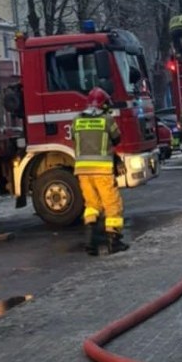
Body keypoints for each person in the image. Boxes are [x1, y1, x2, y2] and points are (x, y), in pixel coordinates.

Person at [72, 87, 128, 255]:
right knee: (112, 205)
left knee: (92, 205)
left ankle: (91, 241)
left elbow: (75, 139)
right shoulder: (107, 119)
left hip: (82, 170)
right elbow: (117, 138)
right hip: (102, 170)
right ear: (103, 104)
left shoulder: (77, 120)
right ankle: (113, 241)